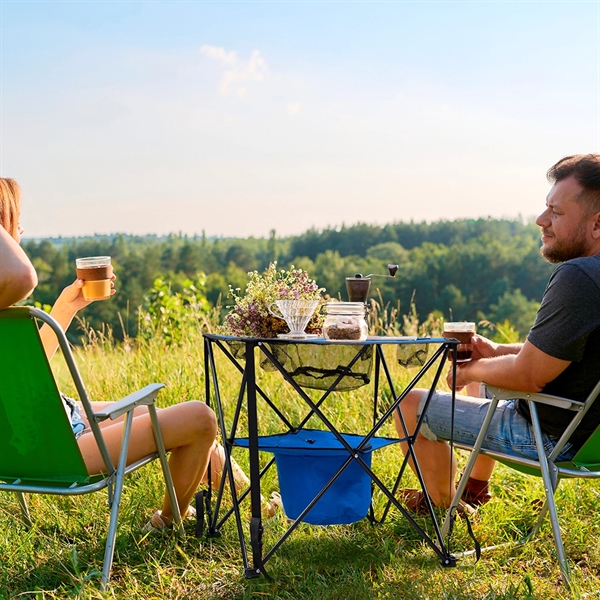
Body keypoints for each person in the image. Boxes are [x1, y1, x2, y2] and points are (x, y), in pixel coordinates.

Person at [1, 178, 221, 531]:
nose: (23, 228)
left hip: (51, 426)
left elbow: (22, 381)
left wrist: (65, 309)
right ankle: (168, 522)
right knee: (200, 418)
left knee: (166, 415)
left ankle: (242, 494)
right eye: (16, 219)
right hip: (60, 445)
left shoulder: (6, 322)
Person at [393, 154, 600, 513]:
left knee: (410, 406)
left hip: (557, 439)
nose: (541, 220)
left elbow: (529, 376)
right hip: (591, 437)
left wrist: (469, 369)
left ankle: (444, 506)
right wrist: (495, 351)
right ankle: (472, 490)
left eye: (557, 212)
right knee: (485, 382)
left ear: (597, 225)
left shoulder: (579, 277)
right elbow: (572, 353)